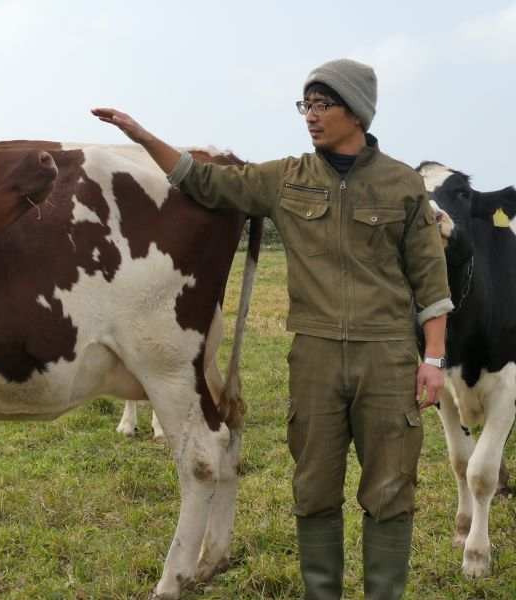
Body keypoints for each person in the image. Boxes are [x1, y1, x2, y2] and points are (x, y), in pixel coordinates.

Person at [93, 58, 452, 599]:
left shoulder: (402, 184)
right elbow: (203, 180)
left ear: (356, 112)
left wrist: (434, 359)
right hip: (315, 359)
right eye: (304, 105)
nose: (309, 116)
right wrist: (141, 136)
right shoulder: (286, 177)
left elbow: (431, 279)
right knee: (313, 490)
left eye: (321, 104)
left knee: (390, 490)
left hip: (389, 358)